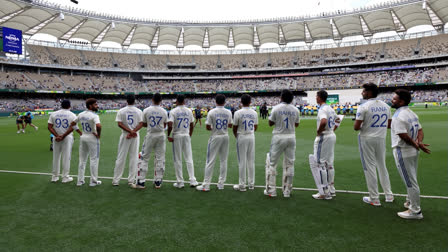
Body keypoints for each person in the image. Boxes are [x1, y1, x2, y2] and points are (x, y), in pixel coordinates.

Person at [391, 89, 430, 220]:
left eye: (395, 99)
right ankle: (409, 202)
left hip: (403, 151)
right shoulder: (411, 113)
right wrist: (418, 142)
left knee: (410, 181)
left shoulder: (398, 116)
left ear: (401, 101)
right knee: (412, 178)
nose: (392, 100)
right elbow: (420, 130)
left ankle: (415, 211)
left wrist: (415, 144)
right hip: (413, 151)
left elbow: (403, 135)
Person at [354, 83, 394, 206]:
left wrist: (365, 124)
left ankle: (374, 198)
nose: (362, 93)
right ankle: (389, 195)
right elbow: (389, 125)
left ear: (369, 92)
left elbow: (356, 127)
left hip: (366, 138)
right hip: (381, 137)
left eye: (364, 91)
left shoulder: (363, 106)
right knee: (382, 166)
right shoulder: (386, 106)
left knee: (369, 167)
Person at [264, 89, 300, 198]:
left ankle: (271, 190)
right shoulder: (295, 110)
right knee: (290, 163)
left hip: (279, 136)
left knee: (272, 163)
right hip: (291, 136)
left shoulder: (276, 108)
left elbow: (270, 123)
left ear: (281, 97)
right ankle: (287, 191)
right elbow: (297, 124)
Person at [197, 94, 233, 191]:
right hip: (225, 136)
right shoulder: (228, 112)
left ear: (215, 101)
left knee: (210, 160)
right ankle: (221, 184)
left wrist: (215, 128)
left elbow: (208, 127)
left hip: (215, 136)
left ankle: (206, 185)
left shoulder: (212, 112)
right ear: (224, 102)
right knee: (223, 160)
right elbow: (230, 125)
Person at [309, 90, 340, 200]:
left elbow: (323, 121)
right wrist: (333, 129)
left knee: (320, 163)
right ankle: (331, 189)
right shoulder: (330, 108)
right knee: (329, 164)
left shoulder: (322, 109)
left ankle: (323, 192)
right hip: (331, 135)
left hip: (324, 136)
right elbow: (338, 119)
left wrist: (319, 131)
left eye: (316, 96)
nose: (316, 98)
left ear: (319, 97)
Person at [134, 93, 168, 189]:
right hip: (161, 135)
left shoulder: (146, 110)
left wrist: (150, 125)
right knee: (160, 158)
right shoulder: (164, 111)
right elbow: (165, 124)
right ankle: (158, 181)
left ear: (152, 99)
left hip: (151, 134)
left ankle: (141, 181)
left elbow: (144, 124)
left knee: (144, 157)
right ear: (161, 101)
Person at [167, 95, 198, 188]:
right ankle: (192, 180)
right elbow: (192, 125)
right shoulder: (189, 111)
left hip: (177, 135)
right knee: (189, 158)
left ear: (176, 101)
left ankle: (180, 182)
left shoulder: (173, 111)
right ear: (184, 101)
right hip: (186, 134)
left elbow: (170, 125)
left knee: (178, 159)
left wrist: (168, 135)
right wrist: (189, 135)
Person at [112, 94, 143, 186]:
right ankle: (131, 180)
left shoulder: (122, 110)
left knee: (121, 157)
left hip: (125, 135)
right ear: (134, 101)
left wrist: (129, 132)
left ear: (127, 101)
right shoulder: (138, 111)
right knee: (134, 158)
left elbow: (119, 124)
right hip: (135, 135)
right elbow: (141, 124)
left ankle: (116, 180)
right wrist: (133, 132)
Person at [71, 98, 102, 187]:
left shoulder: (81, 114)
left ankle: (80, 181)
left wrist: (79, 132)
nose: (97, 106)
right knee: (94, 160)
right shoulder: (94, 115)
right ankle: (93, 181)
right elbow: (99, 126)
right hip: (92, 137)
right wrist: (99, 135)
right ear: (90, 106)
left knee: (82, 160)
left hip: (83, 136)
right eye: (95, 104)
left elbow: (72, 124)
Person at [47, 100, 78, 183]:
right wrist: (63, 136)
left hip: (56, 137)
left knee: (56, 157)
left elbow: (49, 127)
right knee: (66, 157)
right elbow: (73, 127)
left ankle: (54, 177)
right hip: (67, 137)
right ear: (69, 106)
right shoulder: (72, 115)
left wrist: (57, 135)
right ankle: (65, 177)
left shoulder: (54, 114)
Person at [232, 94, 258, 192]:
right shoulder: (254, 113)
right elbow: (255, 127)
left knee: (242, 161)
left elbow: (234, 128)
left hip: (241, 136)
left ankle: (242, 185)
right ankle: (251, 184)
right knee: (251, 160)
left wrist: (237, 137)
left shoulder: (238, 113)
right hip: (251, 136)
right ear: (250, 102)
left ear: (241, 102)